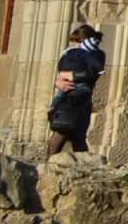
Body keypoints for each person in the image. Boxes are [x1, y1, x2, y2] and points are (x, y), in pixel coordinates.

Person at [44, 23, 104, 155]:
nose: (72, 47)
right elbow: (61, 71)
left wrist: (72, 76)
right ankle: (54, 168)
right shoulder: (70, 54)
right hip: (66, 97)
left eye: (76, 42)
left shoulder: (96, 54)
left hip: (79, 98)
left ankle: (52, 167)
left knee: (70, 133)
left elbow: (94, 72)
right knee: (70, 133)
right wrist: (58, 80)